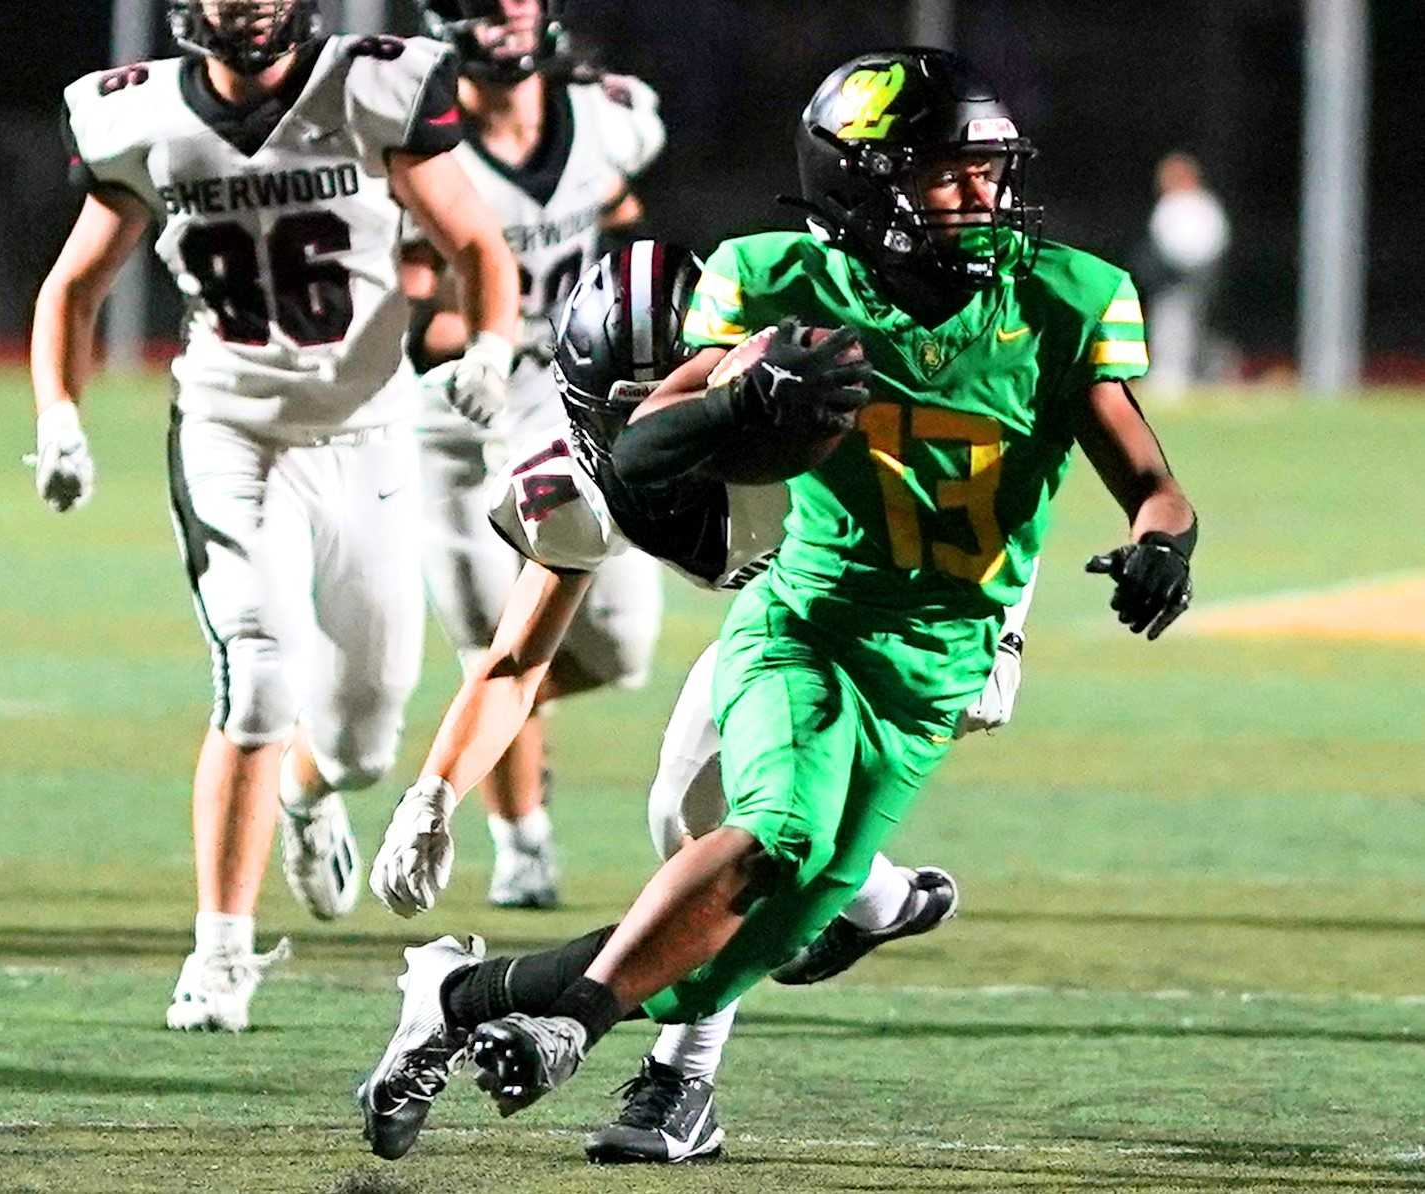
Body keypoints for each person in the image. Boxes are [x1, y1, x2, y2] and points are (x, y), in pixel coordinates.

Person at [355, 46, 1197, 1161]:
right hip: (801, 625)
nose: (983, 194)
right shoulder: (611, 459)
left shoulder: (1053, 301)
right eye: (952, 172)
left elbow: (1148, 480)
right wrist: (433, 794)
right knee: (733, 836)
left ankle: (473, 992)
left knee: (753, 921)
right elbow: (541, 616)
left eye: (986, 168)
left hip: (941, 646)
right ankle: (596, 1038)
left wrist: (1159, 544)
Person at [358, 241, 1033, 1164]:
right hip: (782, 627)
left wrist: (1002, 625)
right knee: (707, 824)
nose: (669, 435)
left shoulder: (820, 410)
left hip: (891, 607)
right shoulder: (572, 482)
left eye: (690, 396)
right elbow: (516, 662)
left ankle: (680, 1059)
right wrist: (431, 793)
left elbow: (987, 464)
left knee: (737, 828)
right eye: (640, 411)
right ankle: (869, 908)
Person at [29, 0, 520, 1032]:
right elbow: (74, 285)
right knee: (257, 677)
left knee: (364, 743)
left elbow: (474, 238)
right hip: (231, 431)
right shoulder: (142, 114)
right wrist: (59, 417)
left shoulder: (368, 86)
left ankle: (308, 791)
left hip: (370, 436)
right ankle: (220, 952)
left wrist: (488, 345)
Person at [395, 0, 668, 909]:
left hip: (569, 402)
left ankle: (519, 713)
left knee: (622, 647)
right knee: (489, 645)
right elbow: (410, 301)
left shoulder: (608, 119)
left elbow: (625, 223)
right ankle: (522, 844)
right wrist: (468, 343)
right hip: (457, 417)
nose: (506, 12)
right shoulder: (418, 138)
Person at [1139, 152, 1229, 400]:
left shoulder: (1200, 206)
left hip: (1195, 276)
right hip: (1170, 277)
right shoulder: (1170, 205)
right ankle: (1172, 374)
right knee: (1170, 323)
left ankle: (1187, 376)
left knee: (1188, 326)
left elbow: (1210, 241)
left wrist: (1193, 269)